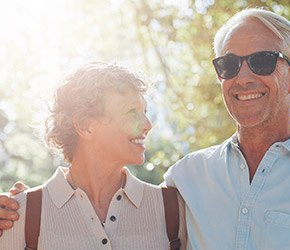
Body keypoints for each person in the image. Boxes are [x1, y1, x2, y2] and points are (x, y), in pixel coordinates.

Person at [1, 7, 290, 250]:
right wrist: (21, 207)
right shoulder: (186, 179)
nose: (243, 78)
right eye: (228, 65)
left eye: (262, 61)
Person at [0, 61, 186, 249]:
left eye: (144, 111)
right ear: (85, 126)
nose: (147, 124)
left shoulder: (172, 209)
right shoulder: (19, 214)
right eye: (132, 112)